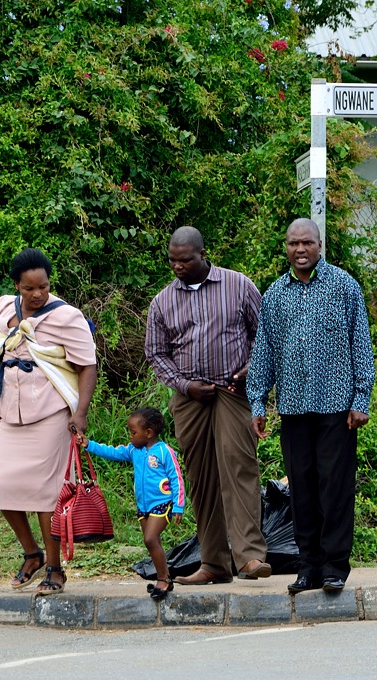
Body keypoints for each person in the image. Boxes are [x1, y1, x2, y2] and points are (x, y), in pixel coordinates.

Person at [246, 218, 376, 594]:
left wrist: (360, 398)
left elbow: (361, 345)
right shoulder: (275, 294)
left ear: (320, 246)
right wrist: (258, 403)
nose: (300, 250)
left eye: (307, 243)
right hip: (293, 409)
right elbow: (265, 351)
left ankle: (335, 567)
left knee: (334, 487)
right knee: (301, 489)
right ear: (285, 247)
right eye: (292, 243)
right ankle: (308, 567)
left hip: (337, 408)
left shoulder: (343, 286)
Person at [145, 226, 271, 586]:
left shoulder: (238, 285)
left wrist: (251, 369)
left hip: (233, 391)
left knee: (239, 465)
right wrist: (185, 385)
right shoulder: (163, 301)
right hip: (190, 399)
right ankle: (214, 562)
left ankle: (249, 557)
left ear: (203, 255)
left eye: (185, 260)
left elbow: (263, 334)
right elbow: (156, 353)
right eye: (172, 260)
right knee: (201, 478)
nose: (178, 267)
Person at [0, 248, 97, 595]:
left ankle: (56, 570)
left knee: (47, 496)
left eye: (43, 286)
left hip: (50, 413)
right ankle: (32, 554)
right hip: (10, 412)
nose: (38, 294)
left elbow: (87, 366)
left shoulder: (66, 317)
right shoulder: (2, 309)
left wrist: (80, 412)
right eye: (30, 288)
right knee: (1, 486)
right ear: (17, 286)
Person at [75, 407, 185, 601]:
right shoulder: (134, 450)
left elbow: (176, 478)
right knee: (153, 542)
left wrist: (178, 505)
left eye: (133, 432)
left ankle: (163, 579)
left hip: (162, 504)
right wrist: (88, 444)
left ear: (149, 433)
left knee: (150, 539)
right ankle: (164, 577)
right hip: (143, 507)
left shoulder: (164, 451)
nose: (130, 436)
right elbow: (112, 452)